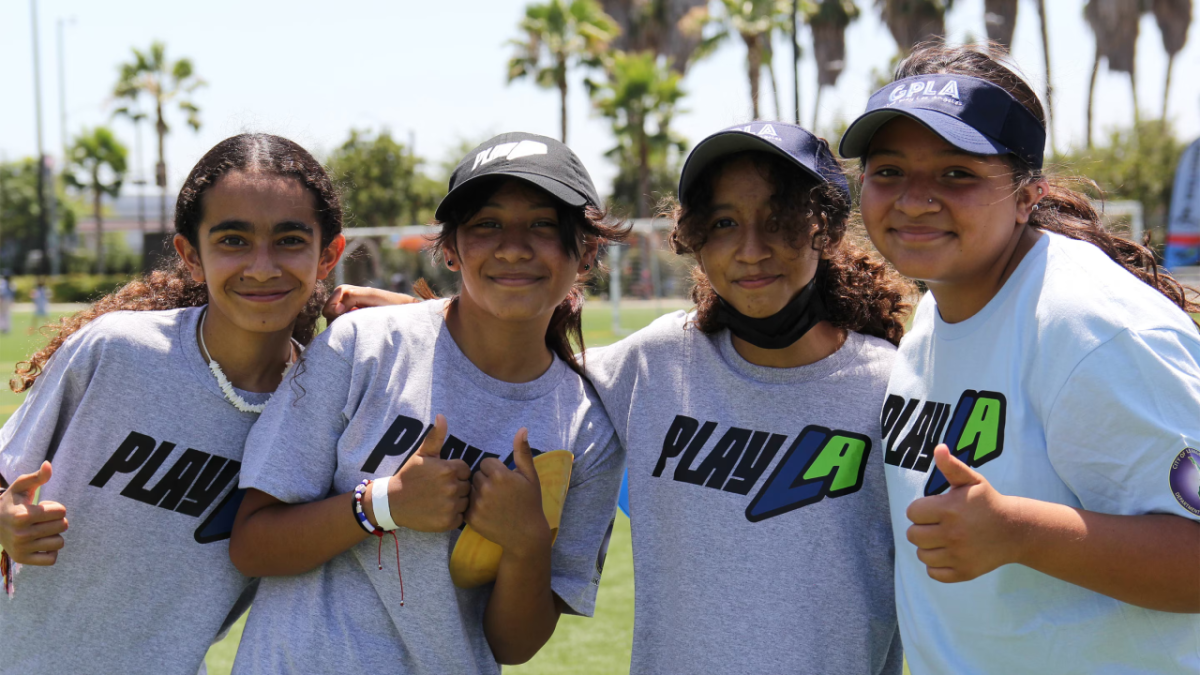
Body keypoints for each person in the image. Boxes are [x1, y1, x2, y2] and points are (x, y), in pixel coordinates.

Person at [328, 123, 910, 674]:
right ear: (695, 238)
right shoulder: (658, 360)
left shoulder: (892, 386)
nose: (752, 250)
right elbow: (528, 364)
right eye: (725, 223)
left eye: (780, 220)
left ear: (826, 229)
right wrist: (420, 317)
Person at [839, 43, 1200, 673]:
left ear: (1027, 195)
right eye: (889, 170)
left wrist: (1019, 531)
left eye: (957, 174)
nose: (915, 199)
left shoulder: (1092, 326)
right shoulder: (940, 304)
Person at [228, 132, 626, 674]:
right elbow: (253, 544)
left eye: (542, 224)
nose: (513, 246)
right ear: (452, 249)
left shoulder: (587, 430)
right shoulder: (365, 346)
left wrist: (528, 541)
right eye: (487, 224)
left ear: (586, 252)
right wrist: (384, 504)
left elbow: (514, 646)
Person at [0, 133, 345, 675]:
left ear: (329, 255)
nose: (261, 266)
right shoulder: (117, 351)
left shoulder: (325, 406)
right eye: (233, 240)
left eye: (289, 240)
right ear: (190, 256)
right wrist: (5, 516)